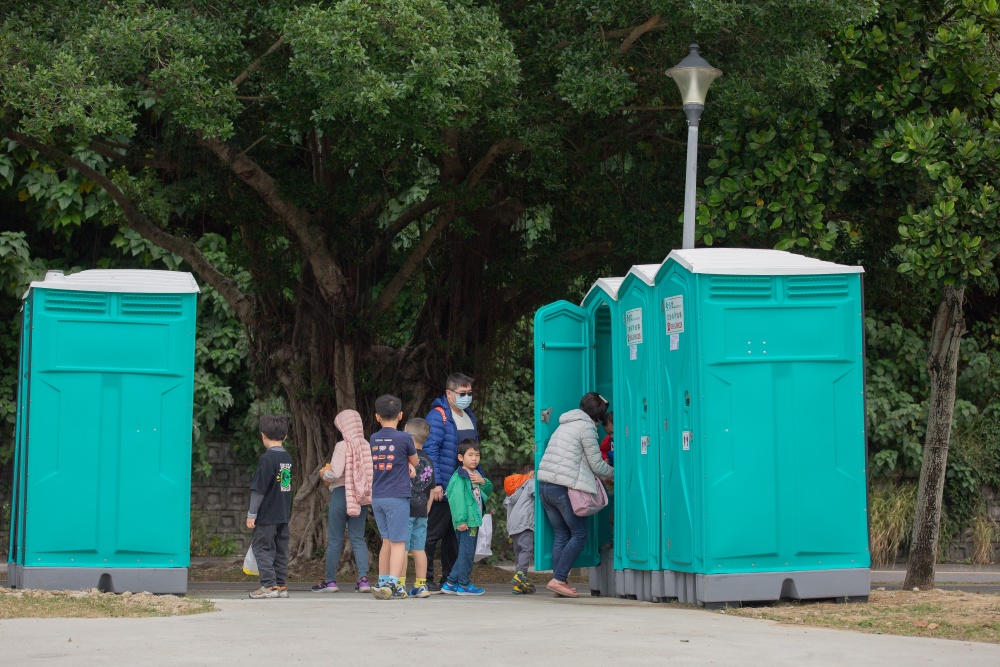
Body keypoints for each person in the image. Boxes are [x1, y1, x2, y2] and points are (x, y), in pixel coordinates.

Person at [536, 393, 614, 598]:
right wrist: (617, 473)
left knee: (562, 534)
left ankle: (558, 580)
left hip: (545, 485)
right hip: (563, 487)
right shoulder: (586, 426)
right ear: (598, 416)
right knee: (579, 533)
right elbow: (596, 464)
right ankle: (559, 579)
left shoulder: (566, 423)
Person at [423, 372, 479, 592]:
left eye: (469, 393)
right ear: (449, 393)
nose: (467, 397)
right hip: (445, 487)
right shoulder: (438, 417)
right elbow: (431, 450)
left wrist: (479, 483)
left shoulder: (469, 415)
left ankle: (449, 579)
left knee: (453, 536)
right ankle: (426, 578)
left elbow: (473, 452)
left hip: (464, 489)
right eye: (462, 393)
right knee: (432, 534)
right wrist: (435, 483)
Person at [313, 409, 374, 594]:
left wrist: (324, 473)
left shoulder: (342, 445)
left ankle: (330, 581)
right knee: (357, 538)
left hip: (341, 494)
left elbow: (336, 472)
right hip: (359, 495)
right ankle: (363, 580)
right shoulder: (366, 445)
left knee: (335, 540)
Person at [369, 394, 419, 600]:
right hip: (397, 497)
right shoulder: (405, 438)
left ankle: (382, 581)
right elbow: (415, 461)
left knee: (386, 541)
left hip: (378, 496)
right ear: (400, 415)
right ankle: (393, 583)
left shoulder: (373, 438)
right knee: (399, 543)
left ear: (377, 417)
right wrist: (408, 463)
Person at [246, 414, 294, 599]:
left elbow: (259, 490)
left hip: (266, 515)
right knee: (281, 549)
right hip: (283, 513)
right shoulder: (287, 458)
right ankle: (281, 585)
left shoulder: (267, 459)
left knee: (262, 548)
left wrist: (252, 514)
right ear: (285, 436)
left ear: (263, 435)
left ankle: (268, 585)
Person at [442, 439, 492, 596]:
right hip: (467, 522)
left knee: (465, 552)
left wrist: (482, 481)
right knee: (467, 553)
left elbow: (488, 490)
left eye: (477, 455)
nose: (474, 458)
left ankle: (450, 583)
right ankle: (463, 584)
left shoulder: (475, 474)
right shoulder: (460, 477)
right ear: (460, 457)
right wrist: (461, 521)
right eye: (470, 455)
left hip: (474, 520)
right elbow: (457, 501)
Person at [401, 417, 435, 598]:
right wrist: (427, 511)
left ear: (408, 433)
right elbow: (430, 491)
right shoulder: (429, 461)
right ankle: (421, 585)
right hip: (423, 511)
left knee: (402, 549)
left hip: (405, 510)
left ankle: (400, 584)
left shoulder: (405, 459)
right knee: (419, 549)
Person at [503, 463, 536, 595]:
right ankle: (520, 574)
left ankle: (518, 585)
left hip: (513, 525)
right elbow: (537, 495)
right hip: (525, 522)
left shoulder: (513, 488)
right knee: (527, 549)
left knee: (519, 553)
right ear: (531, 474)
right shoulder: (531, 482)